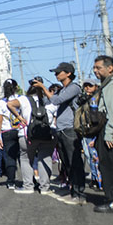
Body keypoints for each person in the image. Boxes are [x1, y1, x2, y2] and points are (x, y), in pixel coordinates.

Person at [33, 62, 85, 204]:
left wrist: (43, 87)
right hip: (61, 129)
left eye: (58, 72)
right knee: (66, 162)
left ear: (68, 73)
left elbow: (56, 101)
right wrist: (38, 90)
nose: (55, 75)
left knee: (74, 162)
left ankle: (79, 194)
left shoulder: (74, 87)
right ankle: (73, 190)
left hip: (70, 129)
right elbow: (46, 101)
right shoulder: (62, 89)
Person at [93, 56, 113, 213]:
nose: (95, 71)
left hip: (110, 132)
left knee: (110, 167)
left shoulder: (112, 85)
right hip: (108, 130)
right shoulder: (107, 84)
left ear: (109, 68)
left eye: (98, 68)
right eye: (94, 68)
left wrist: (109, 133)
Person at [0, 79, 22, 191]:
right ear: (16, 88)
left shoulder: (1, 103)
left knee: (10, 157)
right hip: (20, 130)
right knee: (23, 156)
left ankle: (10, 181)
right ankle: (30, 180)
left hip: (7, 132)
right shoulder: (20, 99)